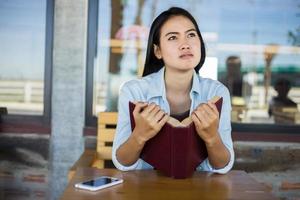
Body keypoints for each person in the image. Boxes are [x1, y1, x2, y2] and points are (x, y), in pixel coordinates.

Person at [112, 7, 234, 174]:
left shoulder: (217, 93)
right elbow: (122, 162)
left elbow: (222, 165)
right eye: (173, 37)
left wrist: (212, 137)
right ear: (158, 51)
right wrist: (139, 135)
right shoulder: (134, 92)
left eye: (191, 35)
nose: (185, 44)